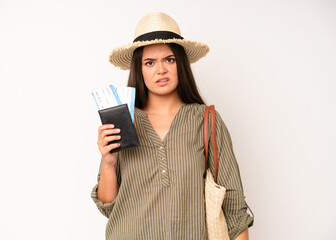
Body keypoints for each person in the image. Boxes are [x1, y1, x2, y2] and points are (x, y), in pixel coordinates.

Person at [91, 12, 254, 240]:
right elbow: (107, 205)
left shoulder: (205, 120)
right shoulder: (123, 120)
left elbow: (235, 208)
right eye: (150, 62)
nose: (161, 70)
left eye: (169, 59)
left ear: (181, 64)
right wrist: (109, 162)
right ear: (140, 69)